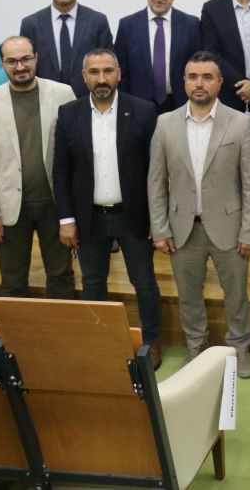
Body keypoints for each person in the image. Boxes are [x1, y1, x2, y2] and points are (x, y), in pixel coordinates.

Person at [148, 51, 250, 378]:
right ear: (184, 82)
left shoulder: (240, 123)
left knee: (236, 295)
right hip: (182, 227)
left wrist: (249, 231)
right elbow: (155, 182)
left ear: (219, 83)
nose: (200, 83)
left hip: (230, 227)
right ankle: (195, 346)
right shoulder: (165, 123)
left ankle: (239, 348)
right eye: (193, 77)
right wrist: (160, 229)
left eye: (207, 77)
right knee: (188, 296)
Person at [52, 49, 163, 368]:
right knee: (92, 282)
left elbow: (156, 170)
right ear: (84, 76)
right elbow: (61, 171)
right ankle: (100, 342)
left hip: (134, 215)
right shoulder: (69, 114)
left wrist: (157, 217)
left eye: (108, 71)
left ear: (119, 74)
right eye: (94, 72)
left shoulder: (143, 111)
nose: (102, 79)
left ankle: (151, 341)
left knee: (144, 282)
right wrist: (66, 219)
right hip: (89, 218)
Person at [0, 36, 76, 299]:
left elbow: (76, 153)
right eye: (12, 61)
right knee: (13, 281)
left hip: (55, 205)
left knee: (61, 276)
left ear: (36, 58)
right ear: (2, 64)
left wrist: (73, 211)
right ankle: (14, 328)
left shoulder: (63, 93)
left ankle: (62, 326)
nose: (20, 67)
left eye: (26, 59)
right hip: (9, 207)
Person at [19, 0, 114, 98]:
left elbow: (107, 68)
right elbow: (27, 67)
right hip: (45, 101)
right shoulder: (31, 24)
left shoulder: (97, 21)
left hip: (88, 101)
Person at [114, 0, 203, 113]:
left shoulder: (191, 25)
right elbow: (121, 74)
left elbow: (199, 68)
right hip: (138, 107)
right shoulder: (127, 26)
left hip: (181, 105)